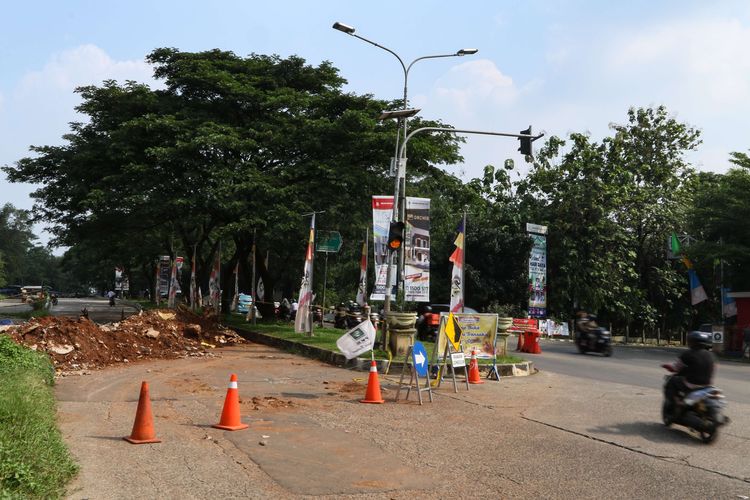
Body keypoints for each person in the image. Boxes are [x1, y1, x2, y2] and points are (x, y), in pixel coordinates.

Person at [662, 330, 715, 414]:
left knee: (672, 381)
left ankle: (678, 403)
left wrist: (666, 366)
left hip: (691, 385)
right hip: (707, 385)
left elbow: (676, 368)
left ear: (691, 342)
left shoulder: (688, 354)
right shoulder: (711, 355)